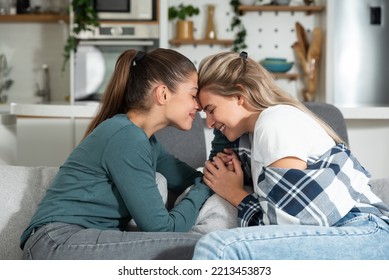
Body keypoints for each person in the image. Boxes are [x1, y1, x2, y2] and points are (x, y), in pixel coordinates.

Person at [192, 51, 389, 259]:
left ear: (239, 95)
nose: (210, 122)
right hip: (348, 231)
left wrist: (235, 194)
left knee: (219, 248)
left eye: (211, 110)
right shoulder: (252, 139)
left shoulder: (274, 122)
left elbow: (293, 220)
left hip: (362, 231)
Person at [20, 48, 213, 260]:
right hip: (55, 243)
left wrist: (219, 175)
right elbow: (164, 228)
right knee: (203, 249)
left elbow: (189, 179)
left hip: (74, 240)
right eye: (193, 95)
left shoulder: (147, 142)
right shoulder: (126, 137)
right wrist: (204, 188)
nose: (199, 106)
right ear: (163, 94)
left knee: (204, 248)